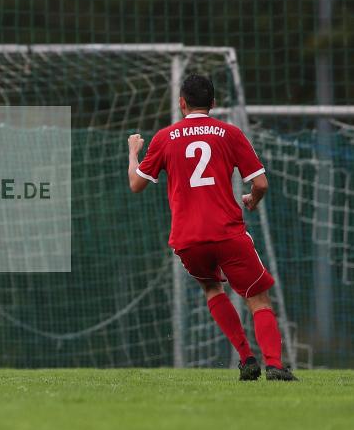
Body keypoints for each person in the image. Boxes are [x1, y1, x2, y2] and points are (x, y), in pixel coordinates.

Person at [127, 74, 297, 381]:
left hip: (188, 239)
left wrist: (132, 153)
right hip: (227, 232)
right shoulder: (229, 133)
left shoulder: (165, 137)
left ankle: (246, 359)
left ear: (181, 103)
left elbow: (136, 184)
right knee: (257, 298)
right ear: (214, 104)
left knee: (211, 288)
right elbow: (260, 183)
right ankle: (273, 364)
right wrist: (252, 199)